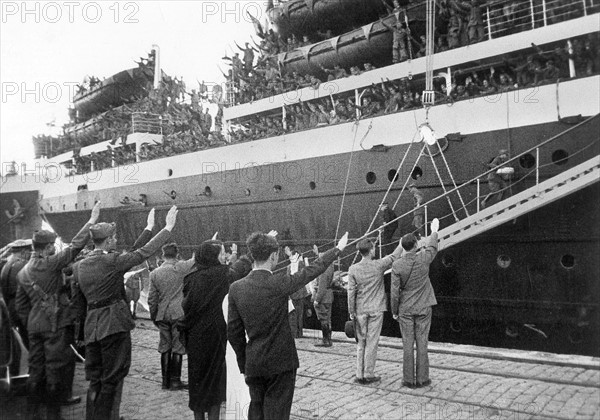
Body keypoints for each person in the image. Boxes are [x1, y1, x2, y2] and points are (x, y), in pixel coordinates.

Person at [72, 206, 178, 420]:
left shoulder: (80, 266)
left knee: (95, 380)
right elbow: (142, 253)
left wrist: (148, 228)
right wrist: (167, 228)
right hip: (113, 325)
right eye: (114, 237)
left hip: (92, 327)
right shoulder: (112, 262)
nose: (116, 240)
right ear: (109, 240)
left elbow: (79, 303)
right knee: (112, 379)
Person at [228, 231, 348, 420]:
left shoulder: (236, 288)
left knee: (256, 412)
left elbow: (234, 333)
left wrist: (245, 362)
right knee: (277, 414)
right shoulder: (279, 282)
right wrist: (337, 249)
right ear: (274, 256)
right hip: (281, 362)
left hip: (254, 363)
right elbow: (310, 272)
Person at [15, 201, 100, 420]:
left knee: (36, 368)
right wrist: (91, 221)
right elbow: (74, 247)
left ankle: (32, 414)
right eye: (52, 245)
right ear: (46, 248)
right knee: (55, 369)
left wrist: (32, 322)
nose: (54, 248)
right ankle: (53, 415)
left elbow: (21, 307)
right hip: (55, 324)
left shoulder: (23, 272)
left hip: (35, 326)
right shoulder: (50, 264)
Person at [181, 239, 252, 420]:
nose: (224, 256)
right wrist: (252, 252)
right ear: (212, 256)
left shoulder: (190, 278)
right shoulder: (224, 275)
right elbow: (240, 268)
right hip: (217, 337)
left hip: (196, 338)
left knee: (197, 382)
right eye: (221, 253)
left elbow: (186, 307)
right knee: (215, 384)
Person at [390, 218, 440, 388]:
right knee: (422, 343)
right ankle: (423, 379)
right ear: (417, 244)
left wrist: (394, 311)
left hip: (405, 309)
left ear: (402, 247)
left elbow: (395, 293)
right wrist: (434, 231)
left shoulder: (397, 265)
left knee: (407, 344)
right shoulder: (424, 259)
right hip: (424, 306)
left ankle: (409, 379)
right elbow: (432, 247)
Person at [347, 236, 403, 384]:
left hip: (360, 310)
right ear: (371, 250)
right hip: (376, 309)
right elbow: (394, 256)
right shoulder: (378, 265)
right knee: (372, 342)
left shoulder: (353, 269)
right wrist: (401, 243)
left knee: (361, 343)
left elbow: (351, 292)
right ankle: (369, 373)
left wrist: (351, 311)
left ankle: (359, 374)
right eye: (373, 248)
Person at [148, 243, 195, 390]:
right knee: (178, 346)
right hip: (179, 313)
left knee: (164, 346)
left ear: (163, 255)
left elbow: (152, 298)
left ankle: (164, 381)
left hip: (162, 314)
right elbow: (195, 260)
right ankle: (175, 381)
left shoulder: (154, 273)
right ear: (177, 254)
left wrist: (154, 315)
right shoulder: (182, 268)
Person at [0, 239, 32, 347]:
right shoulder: (24, 266)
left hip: (11, 306)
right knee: (30, 339)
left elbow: (4, 291)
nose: (29, 255)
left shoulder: (6, 266)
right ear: (23, 252)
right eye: (29, 252)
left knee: (19, 339)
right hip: (24, 307)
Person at [311, 244, 335, 347]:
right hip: (329, 296)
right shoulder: (330, 266)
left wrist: (317, 300)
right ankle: (328, 339)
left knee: (323, 319)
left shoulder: (324, 269)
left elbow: (322, 286)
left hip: (323, 298)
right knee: (327, 318)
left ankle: (326, 340)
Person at [285, 245, 310, 338]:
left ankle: (295, 333)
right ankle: (299, 333)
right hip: (299, 293)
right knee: (299, 314)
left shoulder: (290, 267)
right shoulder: (300, 265)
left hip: (293, 293)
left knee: (293, 314)